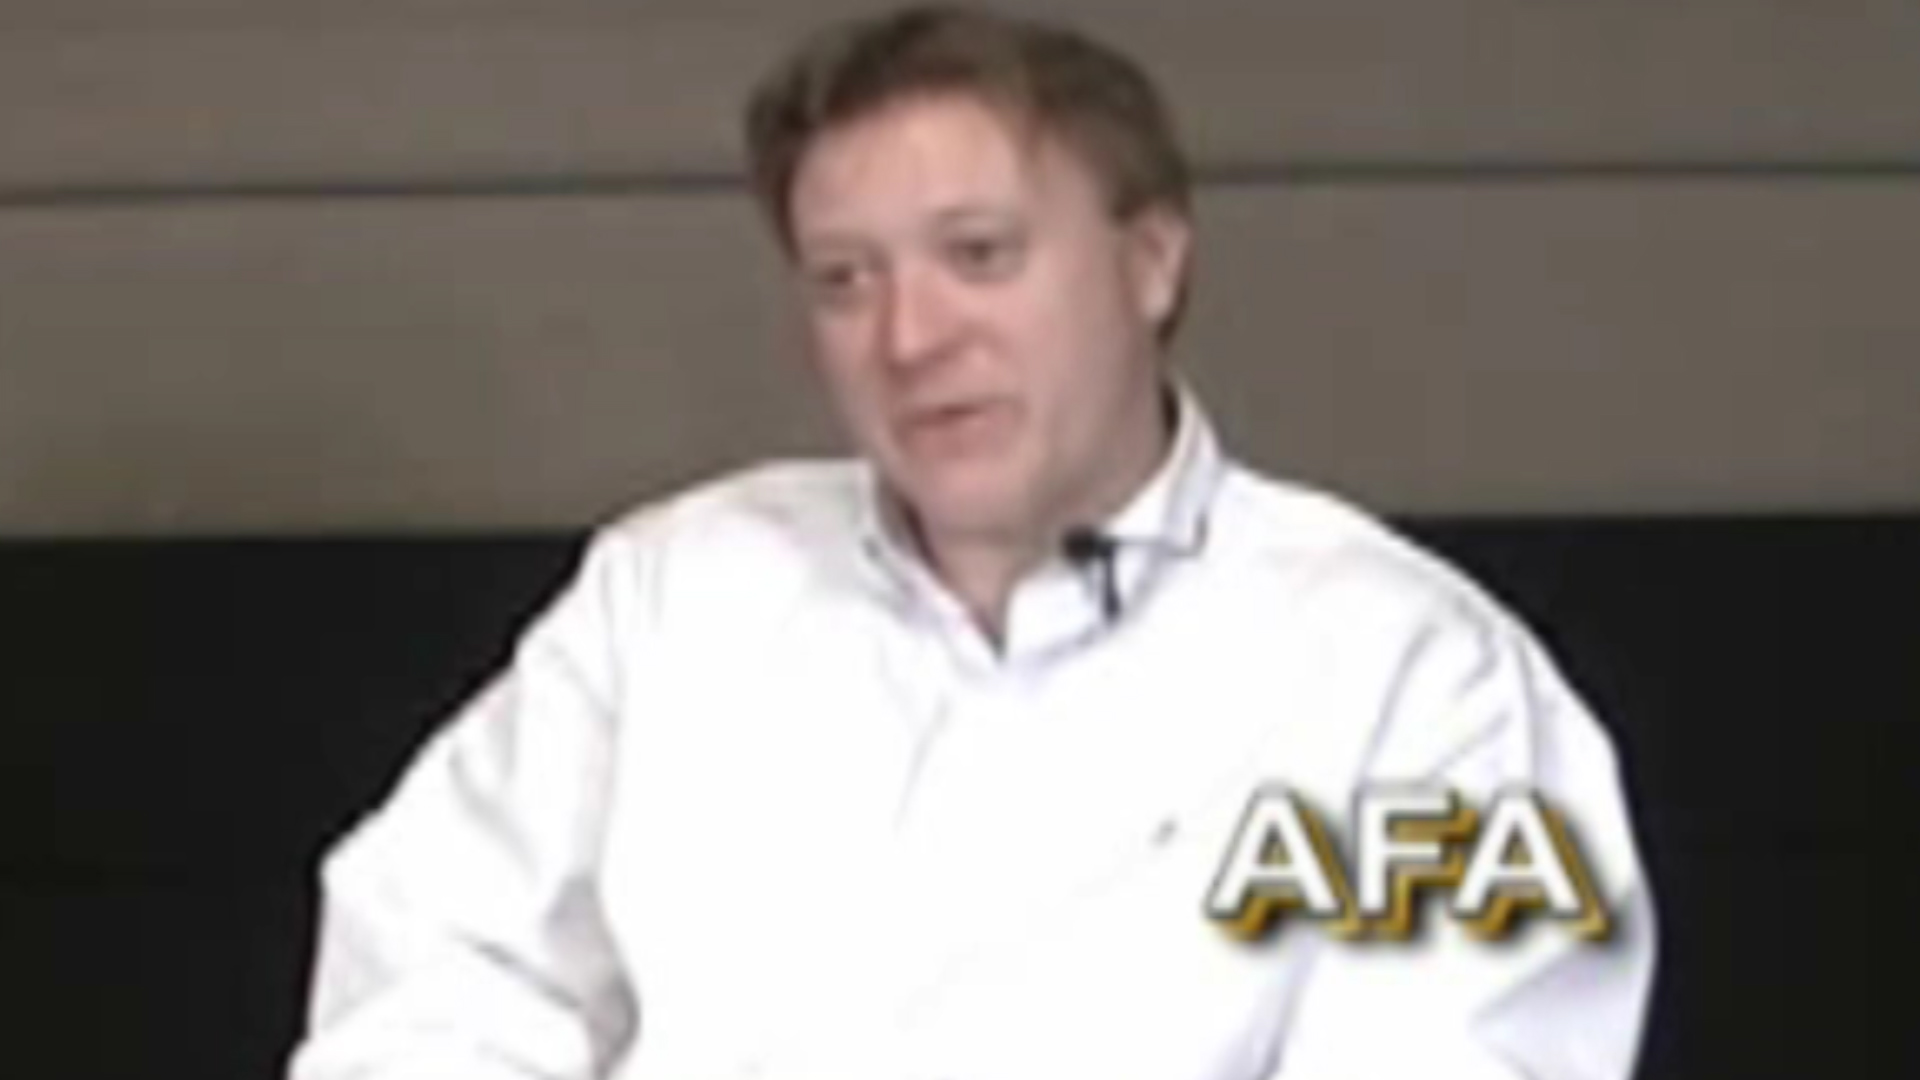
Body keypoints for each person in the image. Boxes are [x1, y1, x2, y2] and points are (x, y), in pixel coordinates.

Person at [287, 6, 1657, 1078]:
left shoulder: (1418, 683)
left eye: (980, 254)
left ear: (1153, 261)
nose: (911, 337)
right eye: (845, 280)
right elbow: (421, 992)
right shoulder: (669, 601)